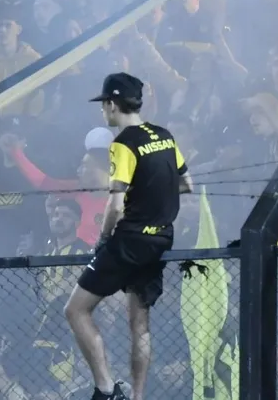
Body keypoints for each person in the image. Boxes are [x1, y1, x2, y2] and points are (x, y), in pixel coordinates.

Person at [64, 72, 194, 400]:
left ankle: (106, 389)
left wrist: (103, 238)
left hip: (130, 239)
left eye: (104, 105)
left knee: (76, 310)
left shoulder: (122, 143)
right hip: (162, 238)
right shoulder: (164, 135)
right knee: (140, 323)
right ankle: (136, 397)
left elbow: (115, 205)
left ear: (111, 104)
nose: (103, 111)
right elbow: (186, 184)